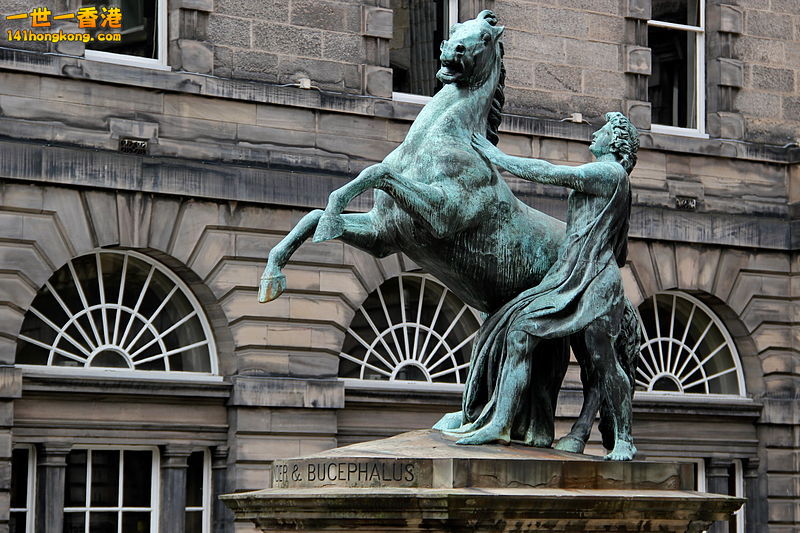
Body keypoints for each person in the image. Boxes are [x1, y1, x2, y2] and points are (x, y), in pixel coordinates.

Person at [450, 112, 639, 460]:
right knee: (520, 330)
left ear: (614, 142)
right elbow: (622, 247)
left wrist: (497, 158)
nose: (593, 135)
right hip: (570, 274)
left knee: (603, 360)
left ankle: (624, 439)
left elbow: (550, 173)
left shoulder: (609, 173)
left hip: (594, 280)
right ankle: (500, 423)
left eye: (602, 131)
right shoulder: (613, 182)